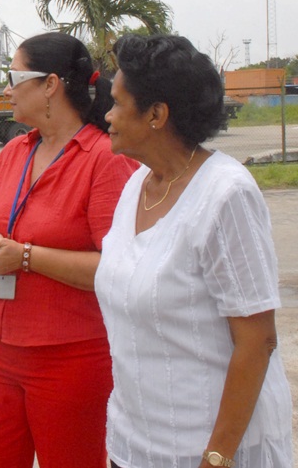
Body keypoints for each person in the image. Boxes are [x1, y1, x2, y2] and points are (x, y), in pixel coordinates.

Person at [96, 34, 293, 468]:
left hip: (207, 448)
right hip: (137, 443)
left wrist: (217, 457)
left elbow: (257, 340)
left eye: (116, 102)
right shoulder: (136, 187)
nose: (106, 115)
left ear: (156, 114)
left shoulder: (225, 194)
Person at [0, 32, 138, 468]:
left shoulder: (105, 159)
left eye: (14, 76)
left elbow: (119, 269)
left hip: (70, 356)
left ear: (50, 85)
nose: (6, 88)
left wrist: (24, 257)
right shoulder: (13, 152)